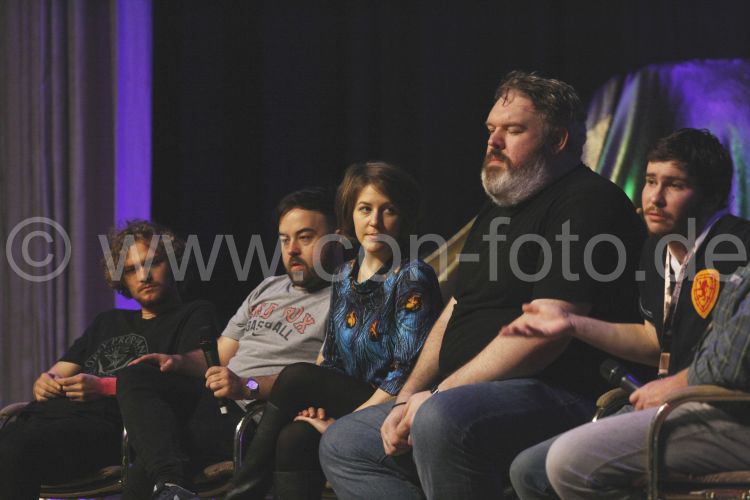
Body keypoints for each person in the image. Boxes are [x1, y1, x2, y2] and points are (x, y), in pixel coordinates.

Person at [318, 71, 646, 499]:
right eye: (491, 129)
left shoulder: (585, 203)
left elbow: (544, 336)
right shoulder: (498, 210)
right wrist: (406, 395)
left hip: (563, 393)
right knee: (345, 442)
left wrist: (437, 395)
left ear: (559, 140)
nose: (493, 142)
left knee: (441, 419)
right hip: (468, 393)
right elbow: (459, 308)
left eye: (512, 131)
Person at [505, 128, 750, 499]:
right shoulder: (655, 250)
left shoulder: (736, 245)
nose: (655, 197)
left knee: (567, 465)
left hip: (723, 412)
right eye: (651, 181)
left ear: (712, 196)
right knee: (528, 469)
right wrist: (571, 324)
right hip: (672, 405)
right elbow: (653, 338)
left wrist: (672, 387)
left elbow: (734, 363)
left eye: (675, 185)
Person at [223, 161, 444, 500]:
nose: (375, 222)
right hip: (350, 397)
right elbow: (331, 357)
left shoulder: (412, 275)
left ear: (403, 219)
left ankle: (241, 494)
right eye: (365, 209)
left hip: (389, 402)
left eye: (389, 210)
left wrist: (347, 423)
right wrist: (318, 407)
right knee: (293, 439)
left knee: (297, 377)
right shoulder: (344, 274)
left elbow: (406, 373)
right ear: (350, 216)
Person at [115, 188, 343, 500]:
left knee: (146, 470)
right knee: (136, 376)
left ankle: (170, 482)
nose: (291, 250)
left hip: (258, 416)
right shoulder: (268, 287)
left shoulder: (346, 298)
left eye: (304, 237)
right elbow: (221, 353)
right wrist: (177, 362)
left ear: (337, 238)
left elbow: (314, 379)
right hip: (216, 401)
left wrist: (244, 385)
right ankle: (171, 484)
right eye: (284, 239)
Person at [0, 220, 217, 500]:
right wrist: (44, 383)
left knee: (13, 450)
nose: (144, 276)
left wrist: (103, 386)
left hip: (109, 428)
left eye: (154, 263)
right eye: (130, 270)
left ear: (174, 264)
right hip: (48, 419)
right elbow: (55, 374)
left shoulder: (194, 313)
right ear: (121, 280)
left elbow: (200, 368)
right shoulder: (108, 321)